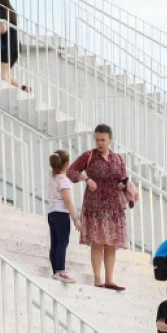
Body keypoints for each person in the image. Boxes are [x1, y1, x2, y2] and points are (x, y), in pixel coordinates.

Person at [67, 124, 130, 291]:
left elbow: (123, 177)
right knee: (97, 242)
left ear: (110, 140)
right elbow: (71, 171)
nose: (100, 143)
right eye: (97, 140)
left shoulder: (118, 158)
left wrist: (122, 184)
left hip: (114, 206)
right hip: (94, 206)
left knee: (111, 243)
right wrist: (86, 179)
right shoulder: (89, 156)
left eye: (103, 140)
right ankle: (97, 278)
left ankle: (109, 279)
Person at [47, 150, 82, 283]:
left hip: (51, 213)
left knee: (54, 243)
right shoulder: (64, 181)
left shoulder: (52, 178)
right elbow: (67, 201)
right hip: (61, 214)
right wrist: (76, 218)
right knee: (62, 242)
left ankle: (56, 270)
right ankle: (61, 271)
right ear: (66, 164)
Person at [0, 0, 30, 93]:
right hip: (15, 45)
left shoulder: (1, 12)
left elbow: (3, 29)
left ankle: (8, 93)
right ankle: (23, 88)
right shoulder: (10, 12)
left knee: (2, 75)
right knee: (3, 74)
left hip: (6, 45)